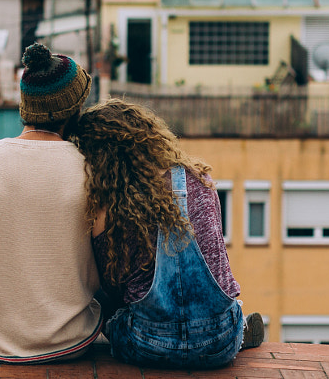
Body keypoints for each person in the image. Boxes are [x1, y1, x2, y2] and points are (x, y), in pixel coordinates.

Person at [70, 99, 264, 369]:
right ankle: (239, 329)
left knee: (95, 292)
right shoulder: (199, 179)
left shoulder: (110, 205)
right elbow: (217, 258)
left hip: (147, 345)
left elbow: (112, 286)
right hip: (220, 342)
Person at [0, 43, 102, 363]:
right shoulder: (93, 171)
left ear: (26, 107)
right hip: (73, 340)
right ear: (74, 110)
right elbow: (104, 268)